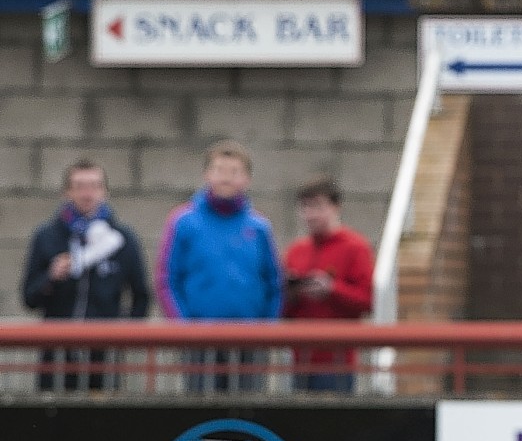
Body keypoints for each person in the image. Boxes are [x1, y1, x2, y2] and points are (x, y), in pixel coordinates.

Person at [156, 140, 283, 393]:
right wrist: (182, 327)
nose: (226, 178)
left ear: (246, 179)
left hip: (250, 343)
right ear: (206, 175)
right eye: (219, 170)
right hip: (199, 342)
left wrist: (268, 330)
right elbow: (167, 279)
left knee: (248, 414)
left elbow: (274, 283)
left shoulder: (259, 228)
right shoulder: (183, 222)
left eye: (234, 172)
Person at [21, 159, 150, 392]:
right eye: (79, 186)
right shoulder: (47, 236)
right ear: (67, 192)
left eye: (94, 186)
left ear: (105, 191)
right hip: (57, 356)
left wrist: (124, 334)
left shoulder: (123, 239)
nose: (87, 193)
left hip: (105, 357)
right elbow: (29, 298)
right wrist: (51, 277)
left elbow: (142, 295)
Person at [283, 175, 375, 392]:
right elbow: (284, 307)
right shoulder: (296, 251)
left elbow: (367, 300)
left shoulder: (355, 247)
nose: (310, 215)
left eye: (317, 207)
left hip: (337, 360)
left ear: (336, 208)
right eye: (305, 207)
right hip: (301, 358)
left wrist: (332, 290)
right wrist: (293, 292)